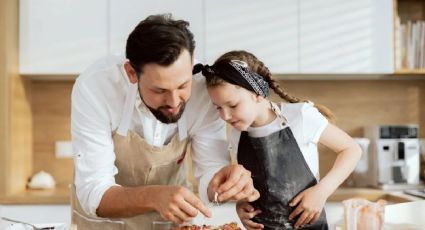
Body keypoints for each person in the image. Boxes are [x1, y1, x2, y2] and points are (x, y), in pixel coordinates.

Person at [71, 15, 259, 229]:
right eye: (159, 91)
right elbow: (93, 191)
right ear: (132, 73)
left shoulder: (203, 87)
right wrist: (154, 196)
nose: (174, 102)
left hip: (170, 223)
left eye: (182, 86)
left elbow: (209, 170)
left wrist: (222, 180)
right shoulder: (95, 87)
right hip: (104, 224)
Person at [193, 50, 362, 230]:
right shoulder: (237, 134)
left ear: (257, 93)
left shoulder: (300, 116)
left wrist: (322, 192)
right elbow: (255, 186)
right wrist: (242, 204)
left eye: (233, 105)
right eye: (218, 107)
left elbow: (352, 150)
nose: (225, 115)